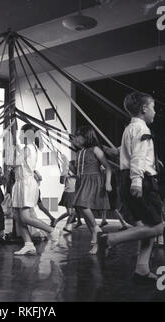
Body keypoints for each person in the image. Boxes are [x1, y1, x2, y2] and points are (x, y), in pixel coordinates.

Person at [98, 92, 164, 282]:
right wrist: (137, 181)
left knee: (146, 226)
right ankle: (109, 240)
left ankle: (142, 269)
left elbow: (129, 152)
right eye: (153, 107)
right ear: (144, 109)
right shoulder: (142, 128)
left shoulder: (130, 128)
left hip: (129, 178)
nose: (154, 112)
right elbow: (138, 156)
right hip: (141, 179)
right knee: (158, 227)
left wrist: (116, 152)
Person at [12, 123, 60, 256]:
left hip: (26, 184)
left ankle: (51, 230)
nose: (19, 136)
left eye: (21, 133)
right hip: (22, 183)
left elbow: (14, 163)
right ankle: (28, 244)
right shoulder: (29, 148)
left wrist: (13, 150)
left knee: (25, 217)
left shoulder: (28, 149)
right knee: (18, 216)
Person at [71, 125, 112, 255]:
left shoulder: (95, 150)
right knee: (81, 209)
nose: (76, 139)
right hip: (82, 181)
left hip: (93, 180)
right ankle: (96, 239)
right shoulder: (79, 152)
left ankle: (96, 229)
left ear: (86, 137)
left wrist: (108, 183)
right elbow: (79, 169)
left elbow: (108, 167)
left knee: (82, 205)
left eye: (79, 136)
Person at [56, 159, 78, 233]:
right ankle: (56, 221)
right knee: (69, 213)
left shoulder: (76, 173)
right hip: (68, 193)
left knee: (73, 213)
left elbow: (78, 178)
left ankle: (66, 226)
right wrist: (64, 176)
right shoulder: (66, 171)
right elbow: (61, 182)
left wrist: (73, 176)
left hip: (74, 193)